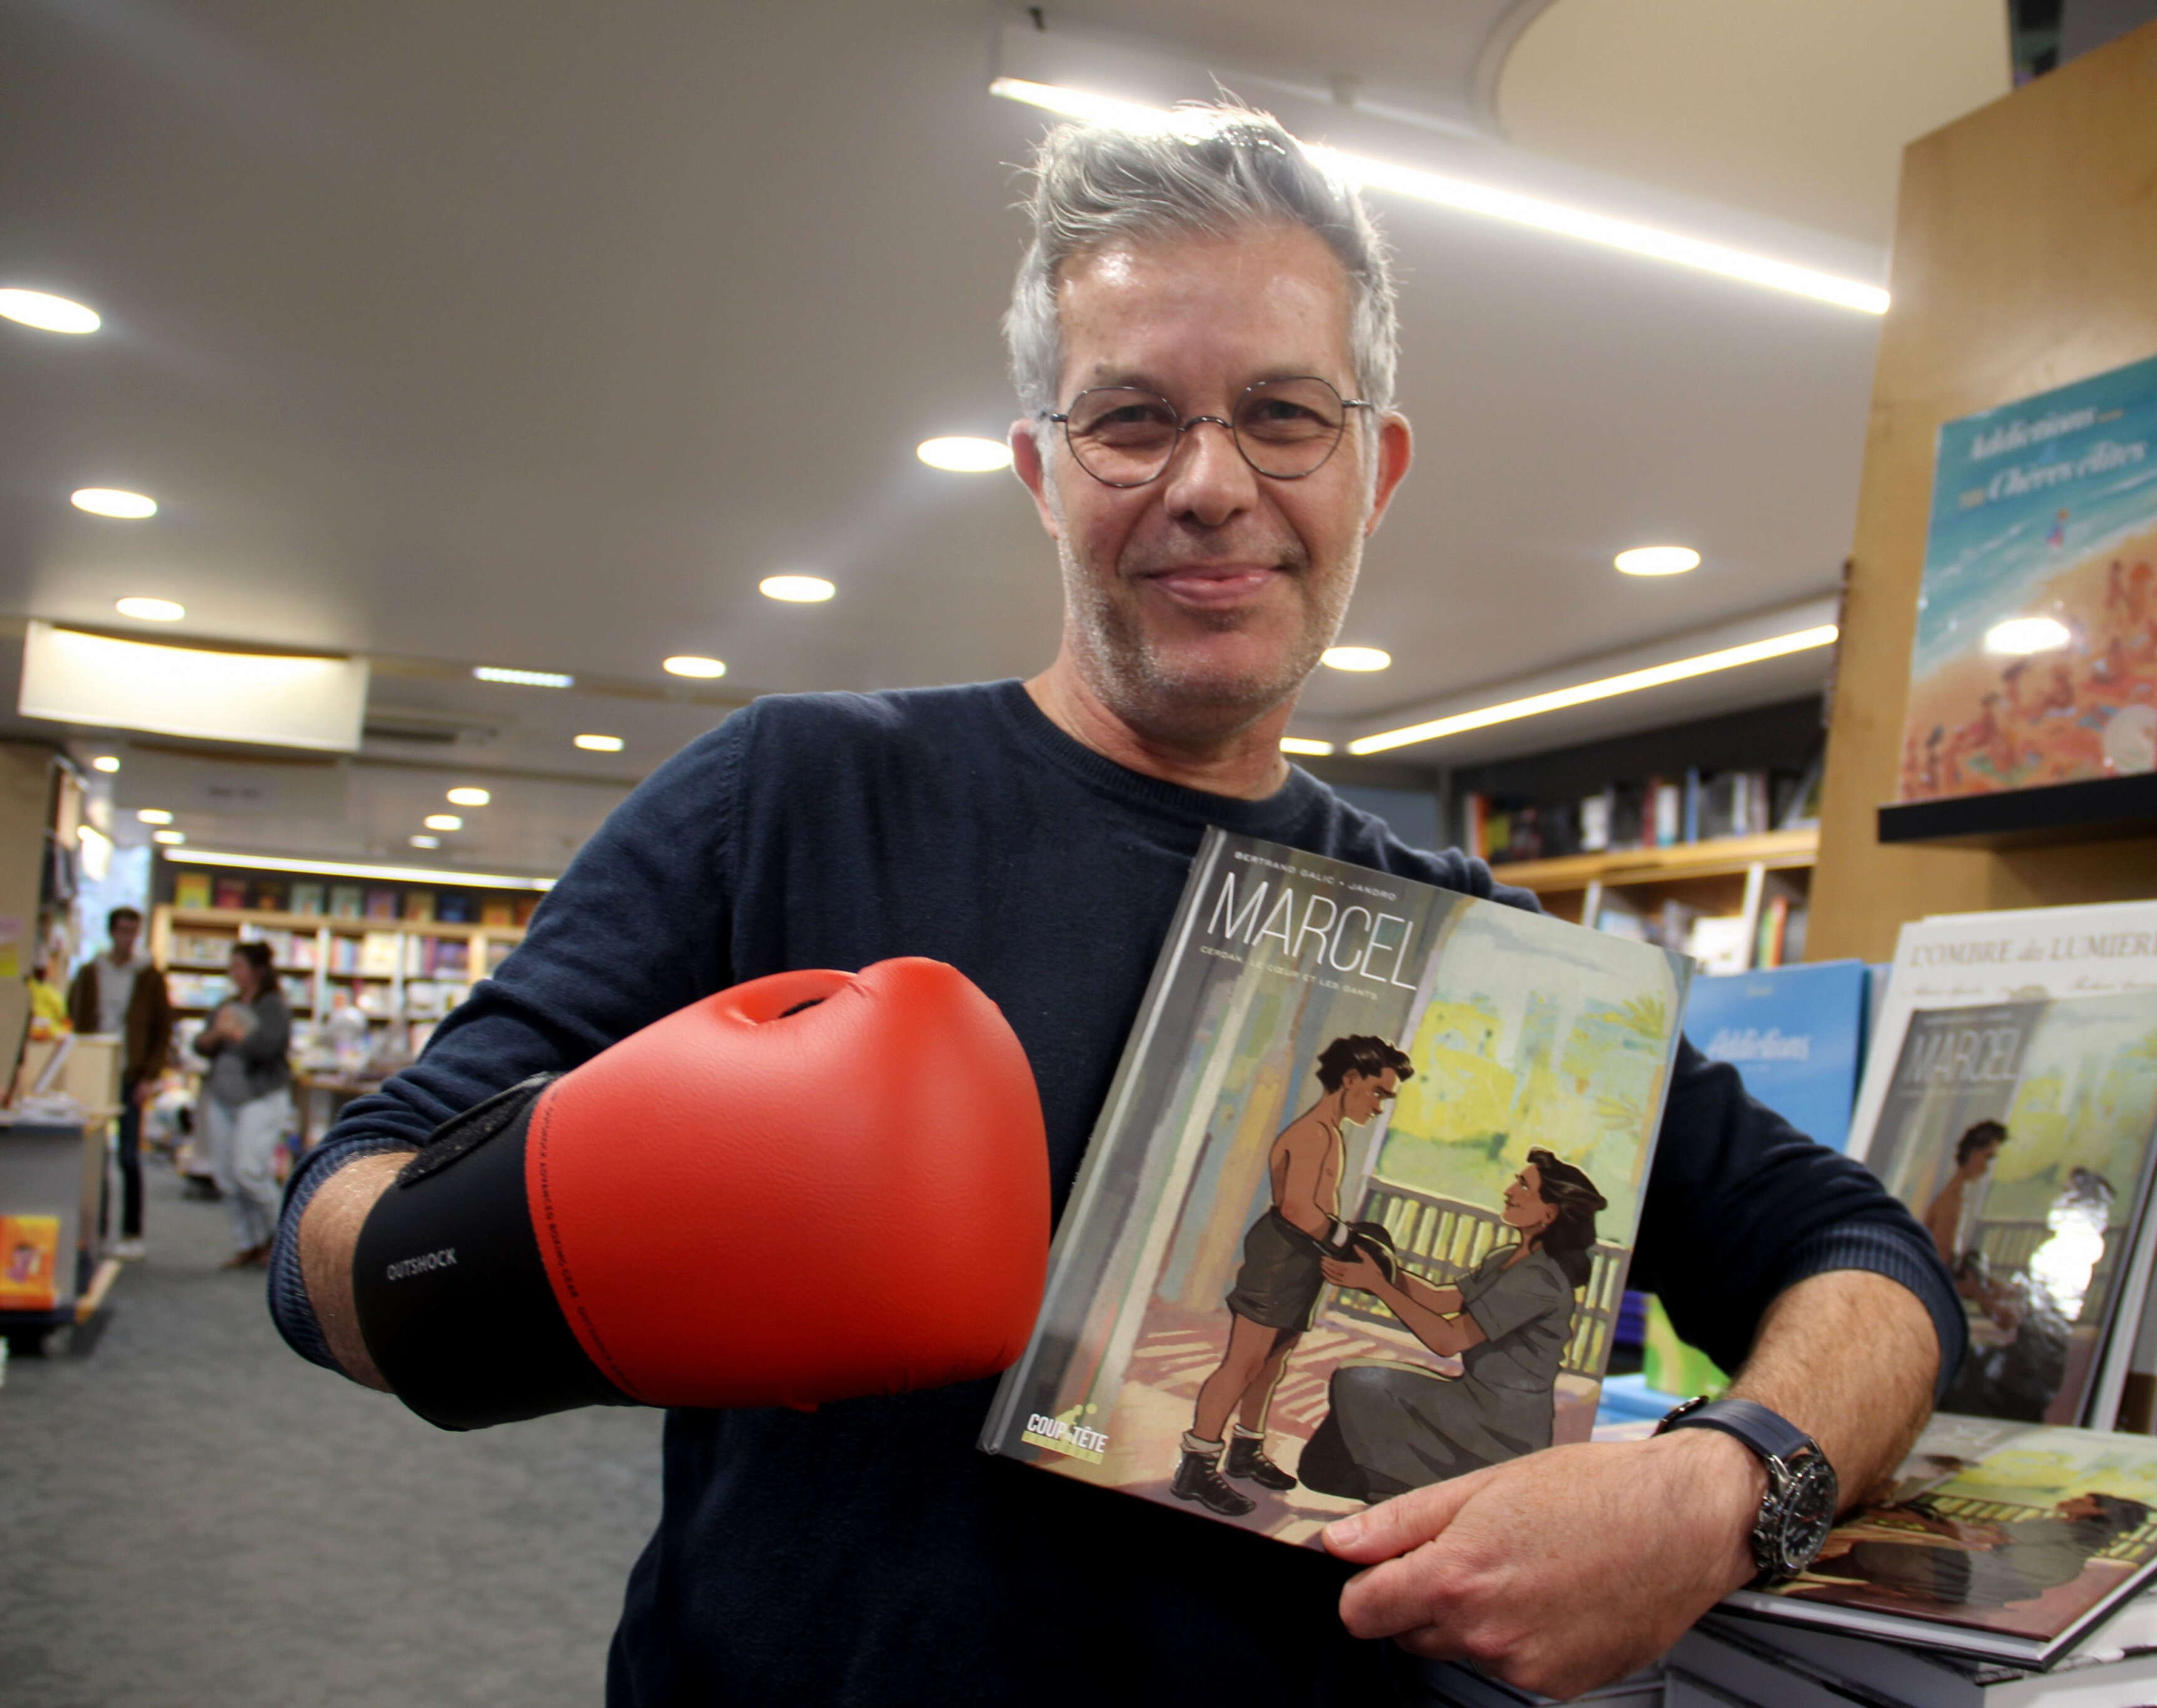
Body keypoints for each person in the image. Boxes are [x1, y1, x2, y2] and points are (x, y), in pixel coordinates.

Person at [269, 105, 1961, 1705]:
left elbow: (1869, 1260)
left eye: (1284, 414)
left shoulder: (1483, 955)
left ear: (1375, 464)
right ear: (1041, 464)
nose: (1211, 481)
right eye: (1134, 417)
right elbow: (339, 1230)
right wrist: (606, 1231)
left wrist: (1731, 1494)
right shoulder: (792, 795)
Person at [1179, 1033, 1411, 1516]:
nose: (1380, 1105)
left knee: (1272, 1364)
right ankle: (1196, 1465)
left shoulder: (1333, 1132)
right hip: (1282, 1254)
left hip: (1305, 1258)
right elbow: (1298, 1207)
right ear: (1349, 1079)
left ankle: (1245, 1449)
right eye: (1377, 1092)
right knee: (1243, 1362)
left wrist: (1343, 1242)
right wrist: (1351, 1241)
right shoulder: (1312, 1133)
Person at [1298, 1149, 1606, 1503]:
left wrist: (1377, 1285)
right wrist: (1384, 1269)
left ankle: (1400, 1490)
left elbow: (1449, 1340)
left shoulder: (1541, 1281)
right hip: (1473, 1398)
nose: (1509, 1191)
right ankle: (1386, 1482)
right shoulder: (1506, 1259)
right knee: (1355, 1381)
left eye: (1523, 1185)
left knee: (1360, 1382)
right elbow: (1440, 1298)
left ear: (1550, 1214)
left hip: (1502, 1423)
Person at [1819, 1490, 2154, 1609]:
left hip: (1965, 1571)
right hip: (1972, 1583)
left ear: (2096, 1511)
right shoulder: (2074, 1560)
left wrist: (1922, 1520)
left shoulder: (2062, 1532)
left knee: (1866, 1557)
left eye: (2083, 1500)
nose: (2073, 1501)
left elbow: (1979, 1534)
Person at [68, 905, 173, 1260]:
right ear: (112, 932)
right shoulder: (90, 972)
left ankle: (131, 1232)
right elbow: (76, 1019)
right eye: (122, 930)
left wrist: (149, 1076)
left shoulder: (149, 976)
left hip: (131, 1074)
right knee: (94, 1155)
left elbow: (162, 1029)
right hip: (94, 1073)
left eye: (133, 931)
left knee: (129, 1156)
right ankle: (94, 1231)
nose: (127, 938)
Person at [195, 942, 293, 1269]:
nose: (233, 973)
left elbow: (269, 1047)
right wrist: (214, 1036)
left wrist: (233, 1032)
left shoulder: (273, 1007)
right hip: (222, 1097)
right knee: (225, 1175)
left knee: (249, 1170)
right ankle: (247, 1242)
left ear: (257, 971)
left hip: (259, 1098)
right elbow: (201, 1042)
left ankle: (283, 1237)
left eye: (239, 966)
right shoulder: (228, 1004)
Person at [1921, 1119, 2005, 1270]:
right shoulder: (1951, 1200)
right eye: (1988, 1157)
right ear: (1973, 1153)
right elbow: (1942, 1261)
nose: (1987, 1168)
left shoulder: (1958, 1197)